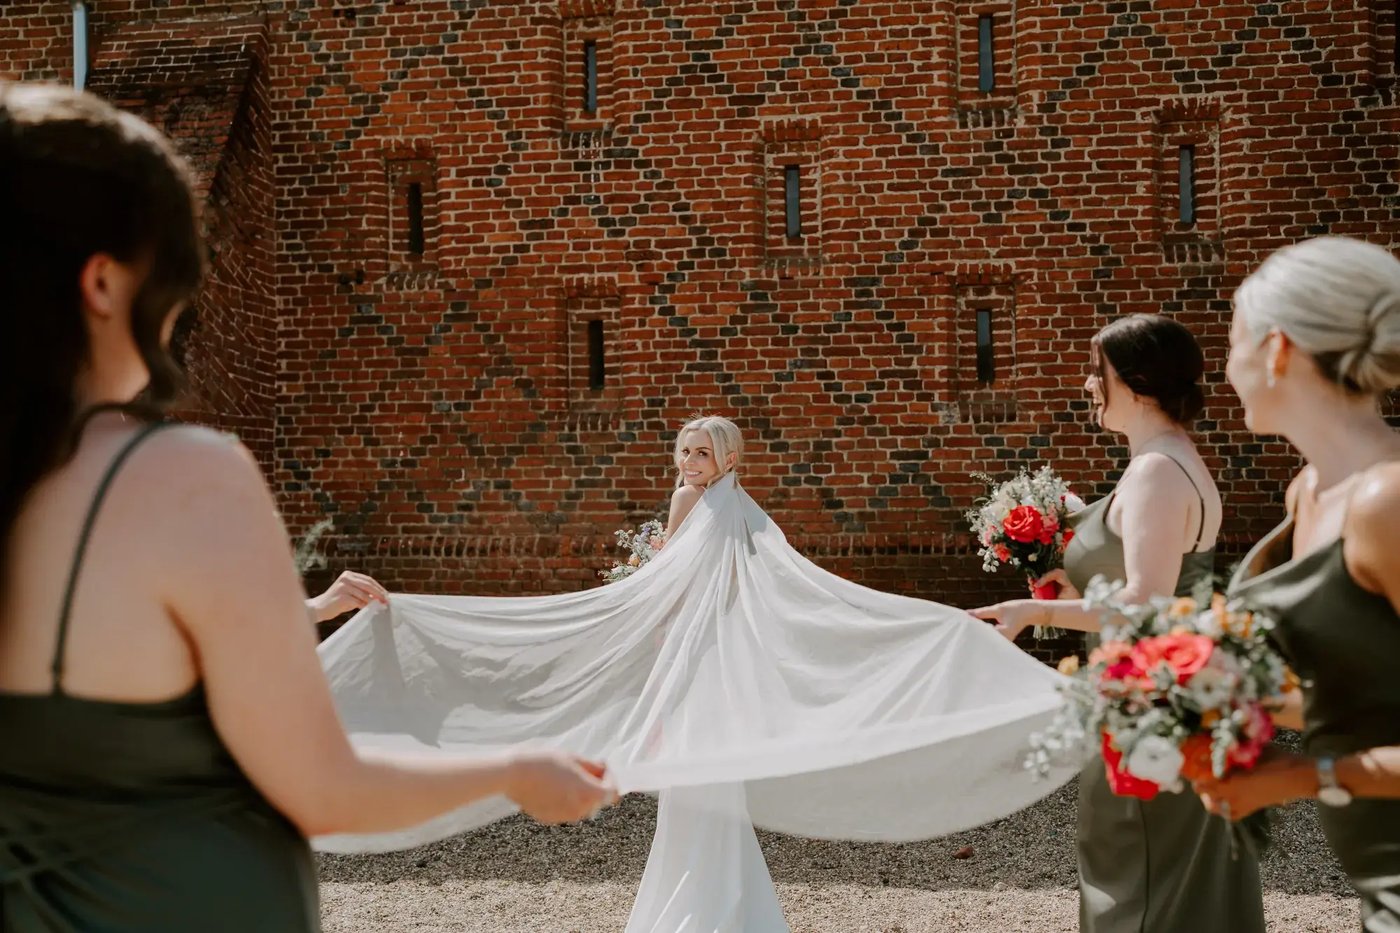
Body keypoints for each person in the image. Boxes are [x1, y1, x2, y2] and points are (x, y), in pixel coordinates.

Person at [0, 82, 614, 933]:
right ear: (104, 282)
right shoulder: (177, 477)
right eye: (175, 280)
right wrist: (512, 769)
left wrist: (312, 608)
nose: (177, 318)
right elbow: (321, 787)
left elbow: (132, 634)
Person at [318, 413, 1082, 932]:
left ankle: (715, 909)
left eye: (700, 454)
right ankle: (707, 907)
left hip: (705, 660)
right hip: (693, 657)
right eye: (683, 451)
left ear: (727, 460)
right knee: (695, 787)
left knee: (706, 783)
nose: (688, 464)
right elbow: (672, 579)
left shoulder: (726, 510)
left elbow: (718, 579)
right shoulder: (714, 504)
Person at [971, 315, 1265, 933]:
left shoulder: (1159, 471)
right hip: (1149, 691)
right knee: (1142, 864)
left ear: (1135, 383)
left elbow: (1143, 602)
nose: (1087, 384)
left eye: (1095, 372)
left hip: (1149, 700)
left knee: (1140, 874)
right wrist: (1071, 581)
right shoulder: (1160, 461)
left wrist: (1039, 611)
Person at [1194, 236, 1400, 932]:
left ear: (1278, 349)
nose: (1225, 372)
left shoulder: (1387, 503)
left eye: (1231, 344)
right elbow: (1359, 698)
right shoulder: (1307, 493)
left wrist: (1305, 775)